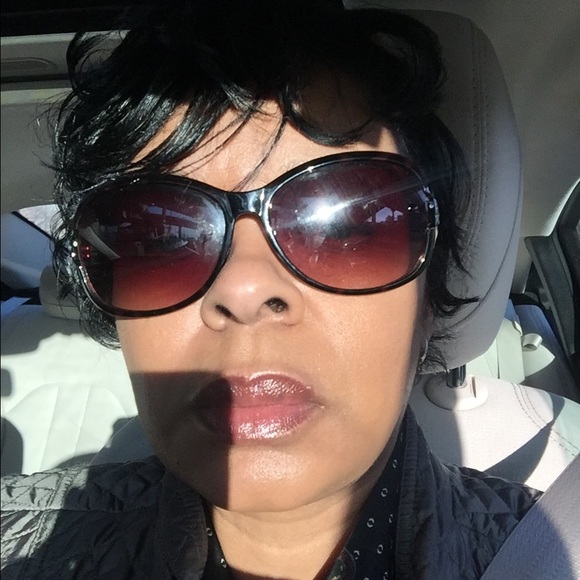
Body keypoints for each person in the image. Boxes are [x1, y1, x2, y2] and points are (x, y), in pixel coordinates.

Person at [1, 1, 540, 578]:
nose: (244, 287)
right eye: (159, 240)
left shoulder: (556, 550)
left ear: (429, 301)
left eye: (346, 226)